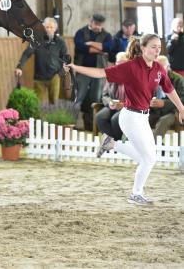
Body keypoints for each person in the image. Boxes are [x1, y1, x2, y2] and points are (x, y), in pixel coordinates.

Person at [65, 33, 184, 205]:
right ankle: (136, 194)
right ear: (143, 48)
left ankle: (112, 144)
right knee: (149, 159)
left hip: (143, 117)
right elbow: (101, 73)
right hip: (130, 117)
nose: (157, 50)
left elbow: (169, 89)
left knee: (148, 158)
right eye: (153, 46)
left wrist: (180, 107)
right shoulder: (130, 67)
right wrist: (76, 67)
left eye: (159, 47)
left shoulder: (158, 68)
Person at [15, 17, 68, 105]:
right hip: (39, 78)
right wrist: (19, 67)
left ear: (55, 29)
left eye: (51, 27)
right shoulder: (36, 40)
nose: (49, 29)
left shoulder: (60, 42)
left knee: (54, 103)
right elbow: (27, 53)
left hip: (54, 76)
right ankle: (40, 119)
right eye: (47, 27)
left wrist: (60, 73)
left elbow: (65, 59)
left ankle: (52, 119)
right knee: (38, 104)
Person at [73, 14, 113, 128]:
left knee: (96, 99)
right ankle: (72, 124)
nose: (98, 27)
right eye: (96, 24)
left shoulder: (107, 35)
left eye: (100, 25)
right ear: (91, 21)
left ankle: (92, 126)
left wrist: (90, 43)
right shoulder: (80, 32)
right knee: (78, 97)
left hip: (99, 72)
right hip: (83, 70)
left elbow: (108, 48)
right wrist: (100, 50)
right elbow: (80, 46)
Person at [95, 52, 128, 141]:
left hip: (128, 107)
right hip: (113, 106)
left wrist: (124, 104)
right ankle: (110, 142)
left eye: (123, 63)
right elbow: (104, 95)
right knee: (100, 117)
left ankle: (118, 144)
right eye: (118, 63)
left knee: (115, 119)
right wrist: (110, 102)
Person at [149, 55, 184, 138]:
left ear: (168, 67)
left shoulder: (178, 79)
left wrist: (164, 103)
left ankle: (154, 148)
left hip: (173, 112)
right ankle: (132, 146)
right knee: (139, 119)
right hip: (155, 111)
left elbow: (182, 100)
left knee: (163, 121)